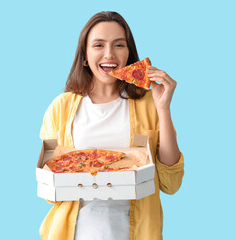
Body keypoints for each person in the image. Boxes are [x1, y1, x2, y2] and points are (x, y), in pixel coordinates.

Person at [39, 11, 184, 240]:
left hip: (138, 233)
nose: (109, 54)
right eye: (98, 45)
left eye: (119, 45)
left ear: (129, 54)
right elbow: (51, 190)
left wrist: (163, 108)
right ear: (85, 56)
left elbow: (170, 182)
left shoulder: (150, 104)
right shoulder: (61, 107)